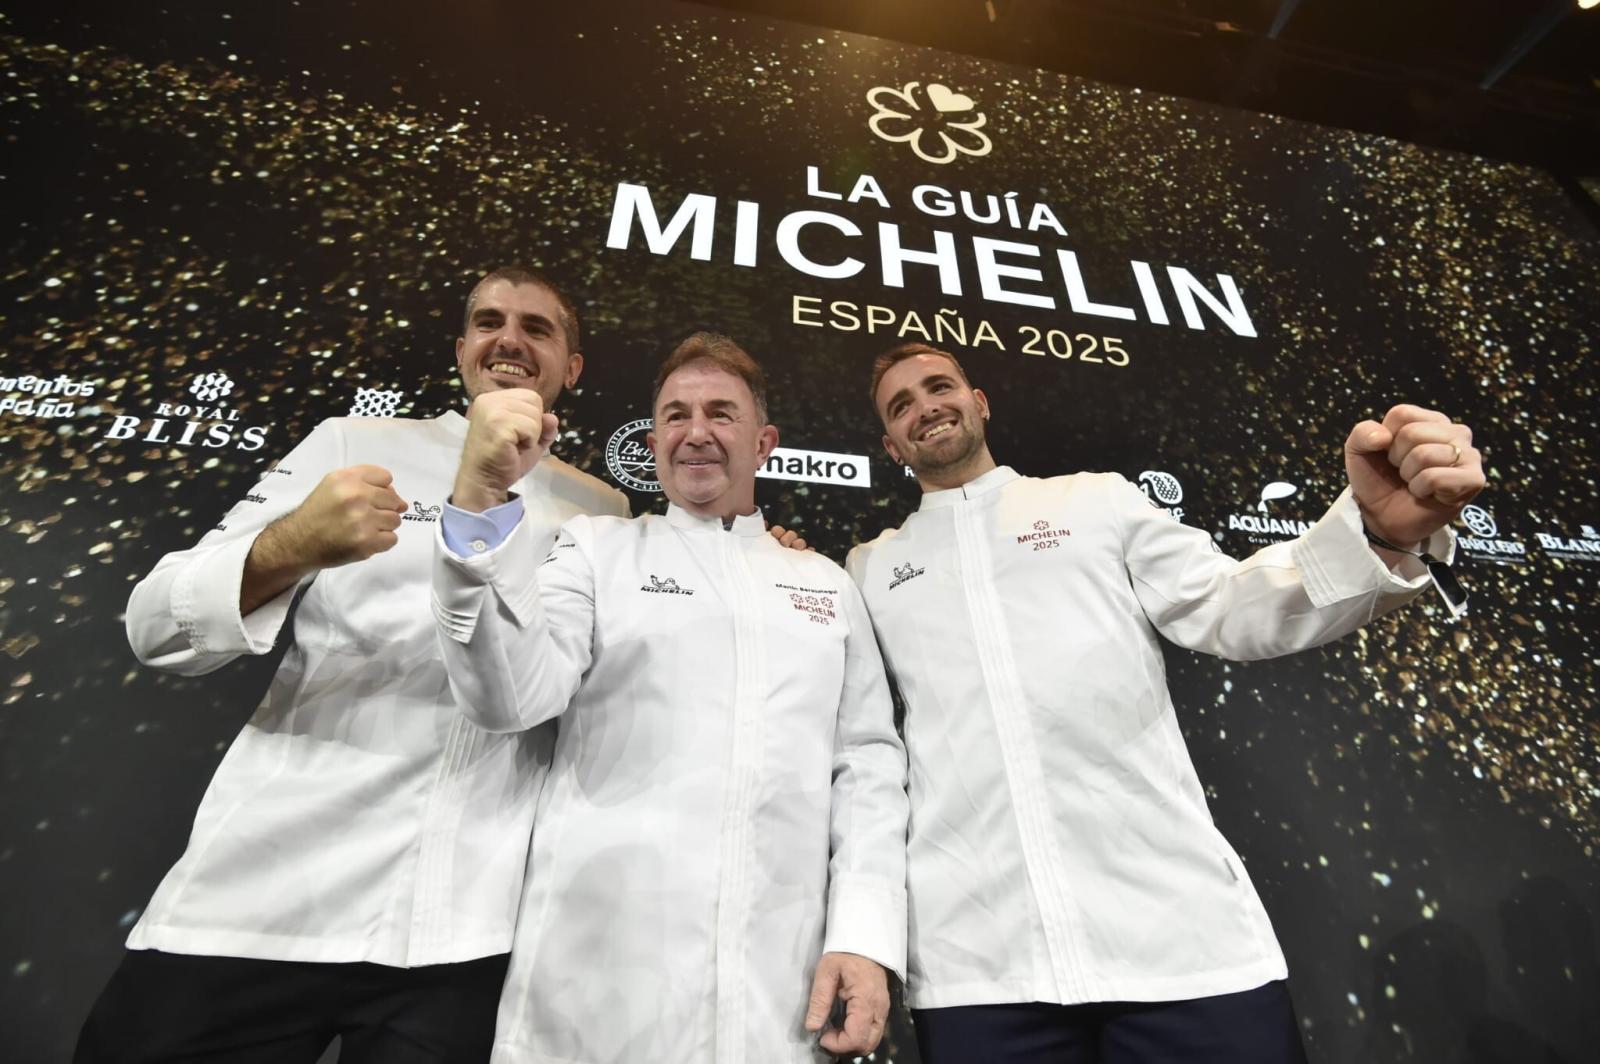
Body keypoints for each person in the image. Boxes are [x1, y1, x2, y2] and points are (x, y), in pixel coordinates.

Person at [843, 342, 1486, 1063]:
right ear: (890, 443)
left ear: (979, 401)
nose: (925, 406)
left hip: (1182, 946)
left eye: (939, 386)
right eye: (901, 405)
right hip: (981, 971)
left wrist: (1373, 533)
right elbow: (856, 748)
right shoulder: (868, 570)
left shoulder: (1097, 501)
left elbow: (1229, 605)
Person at [77, 268, 629, 1064]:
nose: (509, 339)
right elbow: (154, 626)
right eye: (489, 322)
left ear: (570, 368)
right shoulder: (355, 446)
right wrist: (292, 545)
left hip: (467, 930)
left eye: (537, 329)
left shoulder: (604, 509)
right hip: (262, 895)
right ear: (464, 349)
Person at [431, 332, 909, 1063]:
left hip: (780, 996)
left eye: (721, 413)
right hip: (590, 989)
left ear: (764, 442)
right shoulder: (597, 549)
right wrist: (478, 513)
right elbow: (509, 698)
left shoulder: (826, 585)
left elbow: (868, 773)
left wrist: (864, 937)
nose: (696, 433)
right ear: (654, 440)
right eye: (676, 415)